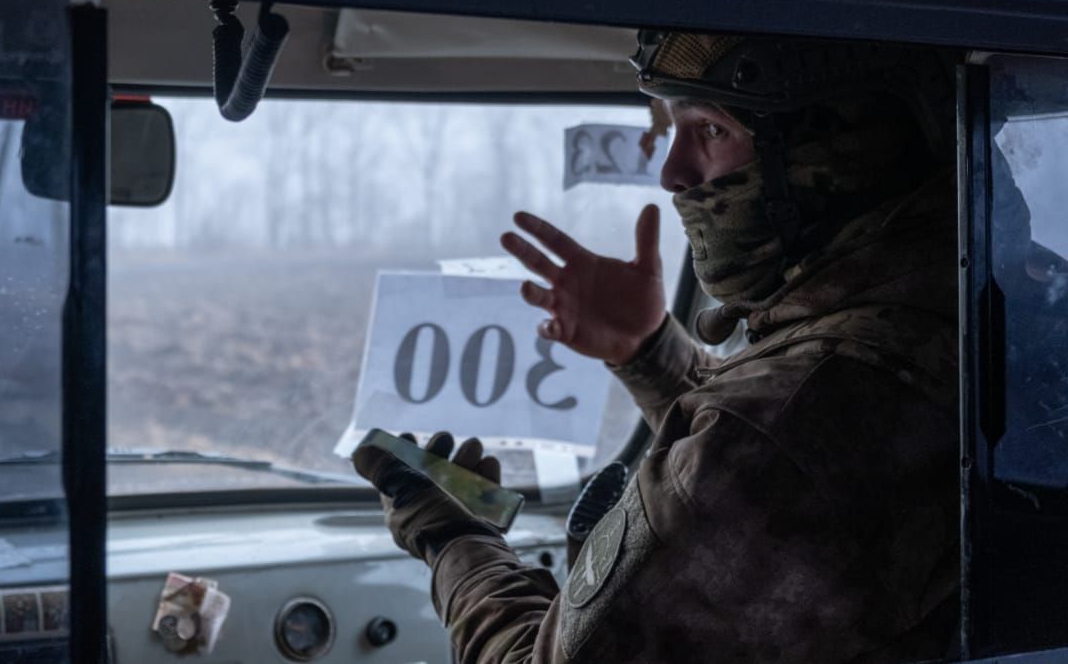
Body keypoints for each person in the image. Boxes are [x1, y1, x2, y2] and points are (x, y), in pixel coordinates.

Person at [354, 32, 961, 662]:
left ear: (830, 149)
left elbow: (772, 452)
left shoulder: (785, 430)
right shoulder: (952, 317)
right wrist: (648, 352)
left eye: (712, 129)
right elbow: (805, 454)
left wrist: (457, 537)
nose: (672, 173)